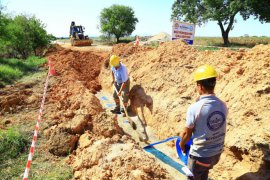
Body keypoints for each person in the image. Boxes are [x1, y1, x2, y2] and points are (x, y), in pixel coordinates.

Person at [180, 65, 228, 180]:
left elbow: (187, 134)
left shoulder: (195, 108)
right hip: (216, 154)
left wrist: (182, 145)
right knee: (204, 173)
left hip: (200, 156)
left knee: (193, 176)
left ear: (200, 86)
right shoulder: (223, 105)